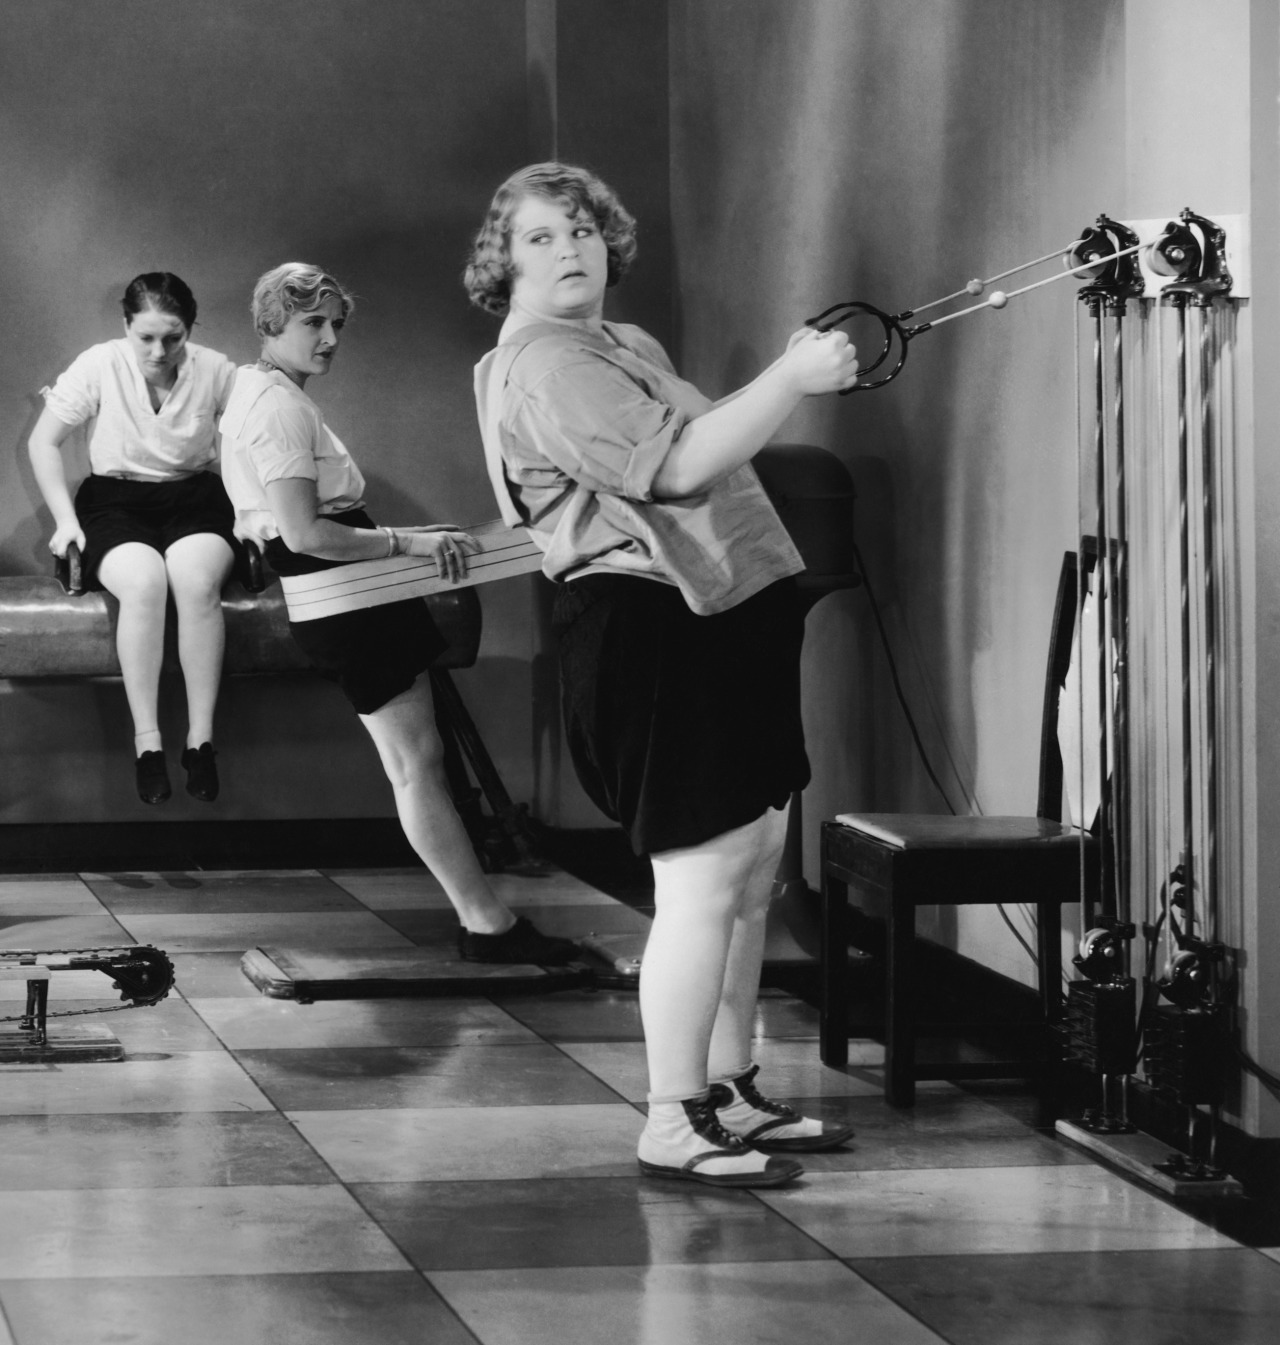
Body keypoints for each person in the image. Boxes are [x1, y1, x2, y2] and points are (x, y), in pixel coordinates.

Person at [467, 163, 860, 1187]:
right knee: (700, 879)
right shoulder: (545, 366)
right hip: (643, 628)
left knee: (749, 870)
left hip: (713, 618)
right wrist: (791, 379)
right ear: (503, 261)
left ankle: (728, 1088)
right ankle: (672, 1118)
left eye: (584, 230)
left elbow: (705, 436)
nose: (570, 249)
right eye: (541, 236)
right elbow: (677, 467)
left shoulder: (623, 345)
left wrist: (779, 376)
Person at [218, 262, 577, 965]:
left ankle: (487, 919)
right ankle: (487, 924)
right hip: (347, 596)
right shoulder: (277, 407)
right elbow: (305, 533)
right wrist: (408, 542)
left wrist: (407, 544)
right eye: (312, 323)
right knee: (417, 767)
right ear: (270, 324)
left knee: (421, 763)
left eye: (336, 324)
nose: (330, 339)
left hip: (354, 590)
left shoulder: (259, 391)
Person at [28, 273, 239, 805]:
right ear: (126, 326)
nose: (159, 352)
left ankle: (200, 742)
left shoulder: (217, 370)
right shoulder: (100, 363)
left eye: (173, 337)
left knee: (195, 581)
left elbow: (251, 442)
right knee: (144, 584)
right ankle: (148, 745)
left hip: (194, 498)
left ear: (190, 329)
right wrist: (66, 522)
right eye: (145, 337)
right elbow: (43, 442)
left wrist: (256, 512)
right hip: (115, 502)